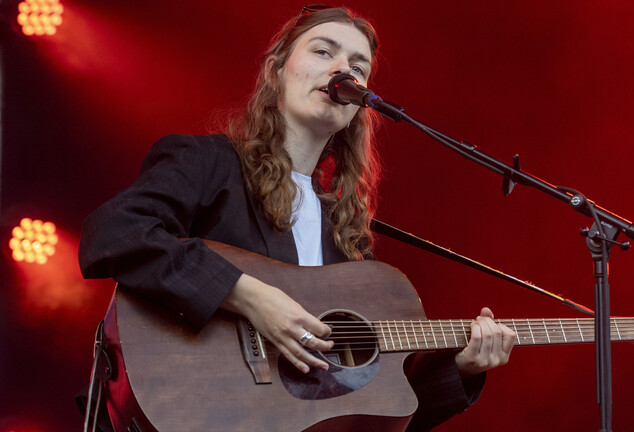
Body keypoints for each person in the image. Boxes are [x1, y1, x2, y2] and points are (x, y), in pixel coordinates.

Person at [78, 6, 515, 431]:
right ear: (277, 70)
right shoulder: (208, 163)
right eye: (323, 51)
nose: (343, 70)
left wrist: (462, 367)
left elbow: (369, 408)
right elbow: (114, 233)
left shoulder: (345, 236)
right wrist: (249, 296)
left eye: (358, 67)